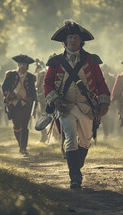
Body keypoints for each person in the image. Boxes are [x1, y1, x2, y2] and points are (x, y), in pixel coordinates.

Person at [44, 20, 110, 189]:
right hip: (65, 107)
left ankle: (75, 166)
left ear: (81, 41)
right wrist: (55, 100)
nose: (73, 40)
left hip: (86, 107)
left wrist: (103, 104)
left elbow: (101, 83)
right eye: (70, 37)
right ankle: (75, 176)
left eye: (76, 37)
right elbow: (48, 83)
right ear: (64, 41)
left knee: (86, 141)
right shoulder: (55, 61)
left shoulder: (92, 60)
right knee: (71, 138)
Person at [2, 54, 37, 155]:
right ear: (18, 65)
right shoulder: (11, 75)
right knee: (16, 125)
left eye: (24, 64)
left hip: (25, 104)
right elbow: (4, 88)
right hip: (13, 103)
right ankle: (20, 144)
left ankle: (23, 148)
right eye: (20, 64)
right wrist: (9, 94)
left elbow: (33, 92)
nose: (22, 66)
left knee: (25, 126)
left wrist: (35, 103)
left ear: (27, 66)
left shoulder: (30, 77)